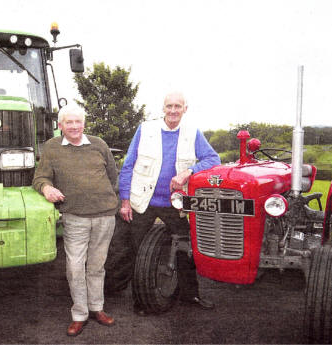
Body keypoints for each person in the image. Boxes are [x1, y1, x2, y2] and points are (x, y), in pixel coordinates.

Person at [118, 91, 221, 315]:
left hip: (176, 203)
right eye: (169, 106)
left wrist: (189, 171)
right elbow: (128, 165)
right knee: (137, 250)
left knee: (185, 248)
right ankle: (141, 302)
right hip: (141, 201)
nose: (173, 110)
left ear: (186, 108)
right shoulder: (145, 129)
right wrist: (125, 201)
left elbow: (213, 159)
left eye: (178, 106)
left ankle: (189, 295)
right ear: (162, 108)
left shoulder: (192, 133)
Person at [33, 105, 118, 337]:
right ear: (60, 126)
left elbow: (113, 176)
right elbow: (39, 178)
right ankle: (79, 314)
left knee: (97, 266)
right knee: (74, 268)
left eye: (77, 122)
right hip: (74, 217)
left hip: (104, 216)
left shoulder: (99, 144)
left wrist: (110, 202)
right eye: (68, 122)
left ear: (84, 124)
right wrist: (47, 188)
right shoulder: (51, 147)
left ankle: (97, 308)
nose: (73, 127)